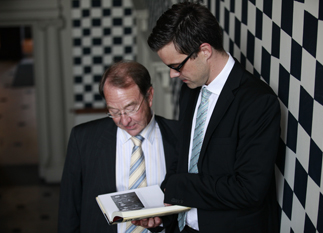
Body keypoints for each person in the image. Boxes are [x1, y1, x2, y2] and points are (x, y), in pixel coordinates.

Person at [144, 2, 281, 233]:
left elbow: (248, 190)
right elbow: (183, 155)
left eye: (177, 65)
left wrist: (176, 186)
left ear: (205, 51)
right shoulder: (190, 88)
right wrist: (164, 206)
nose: (172, 74)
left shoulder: (258, 102)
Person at [58, 60, 179, 233]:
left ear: (150, 96)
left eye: (131, 108)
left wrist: (162, 221)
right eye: (114, 111)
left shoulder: (181, 136)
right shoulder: (83, 139)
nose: (124, 120)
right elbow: (68, 210)